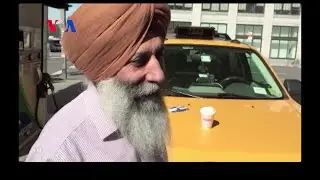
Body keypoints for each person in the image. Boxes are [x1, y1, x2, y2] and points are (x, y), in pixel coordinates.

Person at [26, 3, 171, 162]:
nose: (159, 75)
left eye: (159, 54)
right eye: (138, 61)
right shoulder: (61, 151)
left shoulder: (147, 118)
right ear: (103, 70)